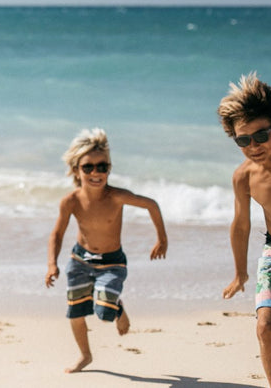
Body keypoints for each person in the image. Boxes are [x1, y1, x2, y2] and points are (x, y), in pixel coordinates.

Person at [44, 128, 168, 374]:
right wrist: (52, 264)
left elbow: (151, 205)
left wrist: (162, 239)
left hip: (112, 262)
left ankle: (116, 307)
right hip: (80, 260)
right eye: (87, 167)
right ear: (76, 170)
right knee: (76, 311)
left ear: (109, 168)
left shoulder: (117, 197)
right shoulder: (71, 201)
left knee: (104, 312)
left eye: (102, 166)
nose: (95, 173)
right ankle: (85, 355)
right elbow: (56, 234)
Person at [219, 73, 271, 388]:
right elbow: (241, 225)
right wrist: (240, 273)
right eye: (243, 140)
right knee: (266, 328)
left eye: (260, 136)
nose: (253, 146)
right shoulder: (244, 177)